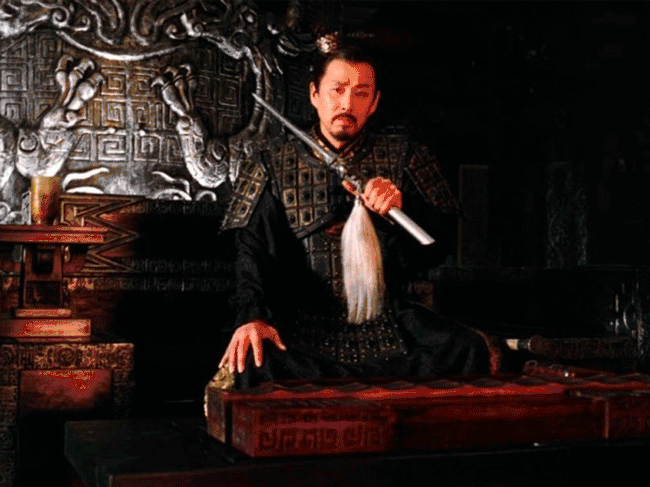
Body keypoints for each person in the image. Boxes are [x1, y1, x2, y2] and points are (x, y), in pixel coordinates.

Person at [216, 37, 493, 389]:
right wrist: (253, 317)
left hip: (389, 319)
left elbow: (437, 249)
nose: (347, 103)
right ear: (315, 94)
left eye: (361, 93)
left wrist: (402, 206)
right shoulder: (271, 163)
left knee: (465, 349)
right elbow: (252, 252)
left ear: (374, 103)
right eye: (337, 90)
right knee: (253, 362)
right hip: (305, 321)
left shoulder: (406, 156)